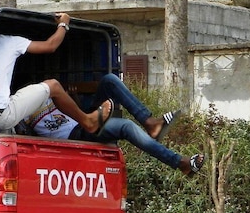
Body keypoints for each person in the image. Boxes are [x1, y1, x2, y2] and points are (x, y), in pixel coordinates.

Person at [22, 73, 205, 176]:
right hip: (75, 136)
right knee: (126, 127)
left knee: (109, 80)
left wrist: (74, 94)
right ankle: (180, 163)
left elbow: (75, 108)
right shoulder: (22, 111)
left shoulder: (51, 95)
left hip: (85, 120)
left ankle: (149, 122)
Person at [0, 12, 112, 136]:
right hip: (2, 114)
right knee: (53, 85)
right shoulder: (8, 41)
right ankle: (88, 121)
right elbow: (51, 46)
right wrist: (63, 24)